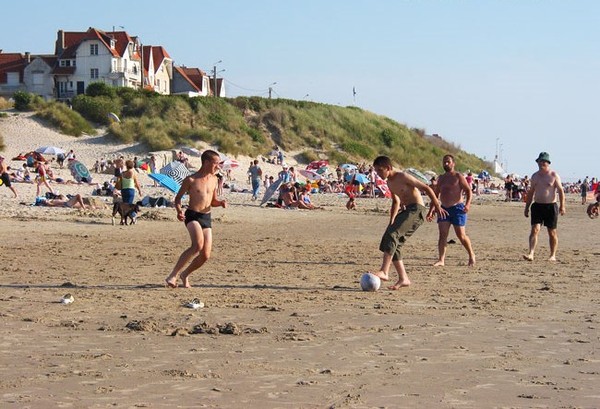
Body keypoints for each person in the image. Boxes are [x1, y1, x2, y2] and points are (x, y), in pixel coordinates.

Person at [370, 156, 447, 290]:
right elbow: (396, 202)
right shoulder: (389, 183)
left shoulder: (403, 177)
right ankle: (403, 278)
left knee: (393, 235)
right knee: (393, 241)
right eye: (376, 171)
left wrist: (436, 206)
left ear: (388, 168)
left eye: (380, 170)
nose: (378, 174)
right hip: (407, 211)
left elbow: (427, 189)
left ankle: (384, 271)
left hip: (417, 210)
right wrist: (392, 221)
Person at [165, 150, 227, 288]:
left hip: (206, 217)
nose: (218, 166)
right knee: (197, 245)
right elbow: (178, 199)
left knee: (205, 255)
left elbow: (213, 201)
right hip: (192, 215)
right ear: (206, 162)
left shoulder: (215, 179)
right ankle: (173, 275)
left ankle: (185, 274)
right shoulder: (191, 179)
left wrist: (221, 203)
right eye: (216, 163)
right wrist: (179, 211)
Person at [432, 154, 476, 267]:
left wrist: (468, 204)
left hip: (457, 208)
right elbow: (436, 195)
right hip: (443, 209)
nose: (446, 164)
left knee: (461, 235)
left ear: (453, 163)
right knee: (442, 234)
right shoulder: (441, 178)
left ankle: (471, 255)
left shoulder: (458, 176)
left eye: (448, 162)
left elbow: (468, 191)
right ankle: (441, 259)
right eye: (444, 162)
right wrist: (432, 209)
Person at [523, 152, 566, 262]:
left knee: (552, 232)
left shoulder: (553, 175)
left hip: (551, 207)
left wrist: (562, 206)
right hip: (537, 206)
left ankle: (552, 255)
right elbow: (531, 192)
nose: (541, 163)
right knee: (535, 229)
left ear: (548, 163)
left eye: (543, 161)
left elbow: (561, 191)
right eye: (539, 161)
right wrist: (527, 207)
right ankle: (531, 253)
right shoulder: (535, 176)